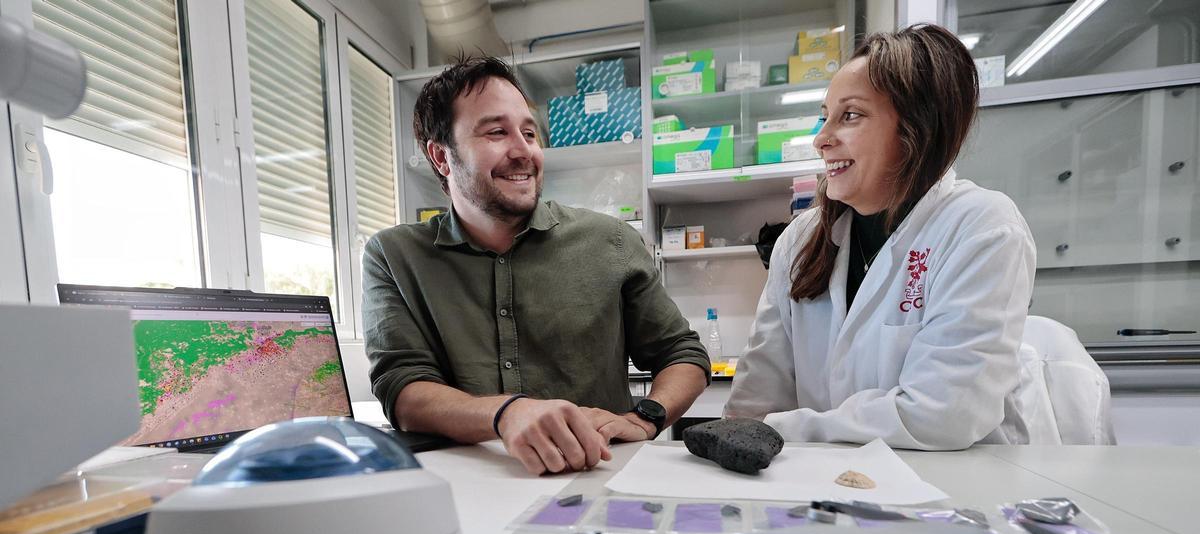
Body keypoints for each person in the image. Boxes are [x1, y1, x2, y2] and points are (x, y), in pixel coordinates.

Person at [362, 56, 710, 475]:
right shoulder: (394, 256)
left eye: (529, 132)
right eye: (496, 132)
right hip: (471, 484)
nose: (524, 150)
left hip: (600, 475)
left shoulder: (611, 240)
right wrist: (506, 413)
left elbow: (683, 353)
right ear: (441, 156)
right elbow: (401, 389)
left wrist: (647, 416)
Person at [726, 24, 1056, 449]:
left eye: (850, 115)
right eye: (824, 116)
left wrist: (785, 431)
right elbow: (759, 391)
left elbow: (943, 414)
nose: (821, 139)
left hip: (956, 488)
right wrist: (737, 448)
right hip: (830, 485)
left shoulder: (981, 226)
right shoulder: (802, 238)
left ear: (917, 128)